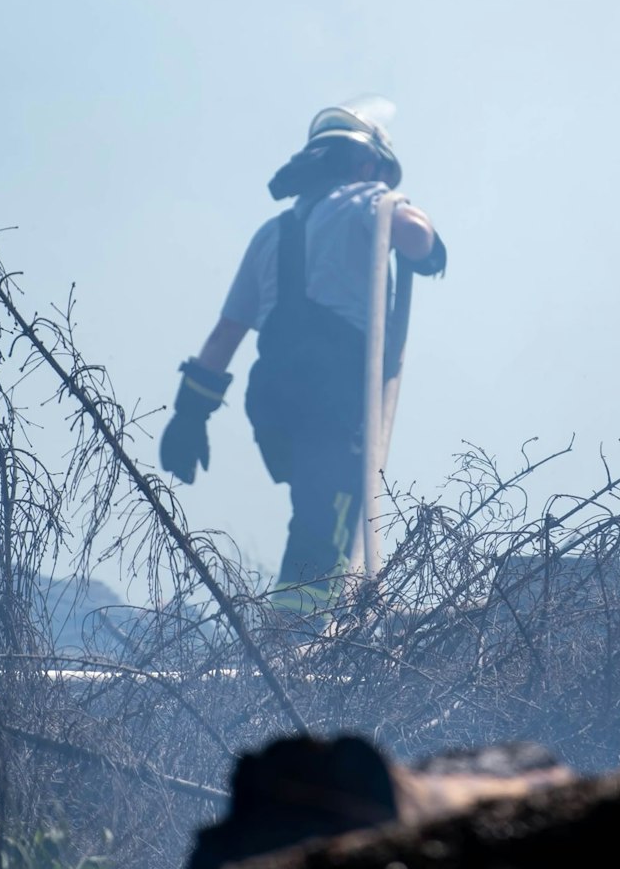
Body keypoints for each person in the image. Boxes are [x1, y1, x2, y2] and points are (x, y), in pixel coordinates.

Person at [159, 103, 447, 617]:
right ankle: (298, 641)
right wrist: (425, 240)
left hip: (272, 396)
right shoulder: (371, 201)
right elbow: (416, 238)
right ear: (366, 167)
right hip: (332, 389)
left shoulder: (272, 233)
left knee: (317, 515)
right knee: (327, 524)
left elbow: (226, 334)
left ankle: (307, 620)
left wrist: (190, 415)